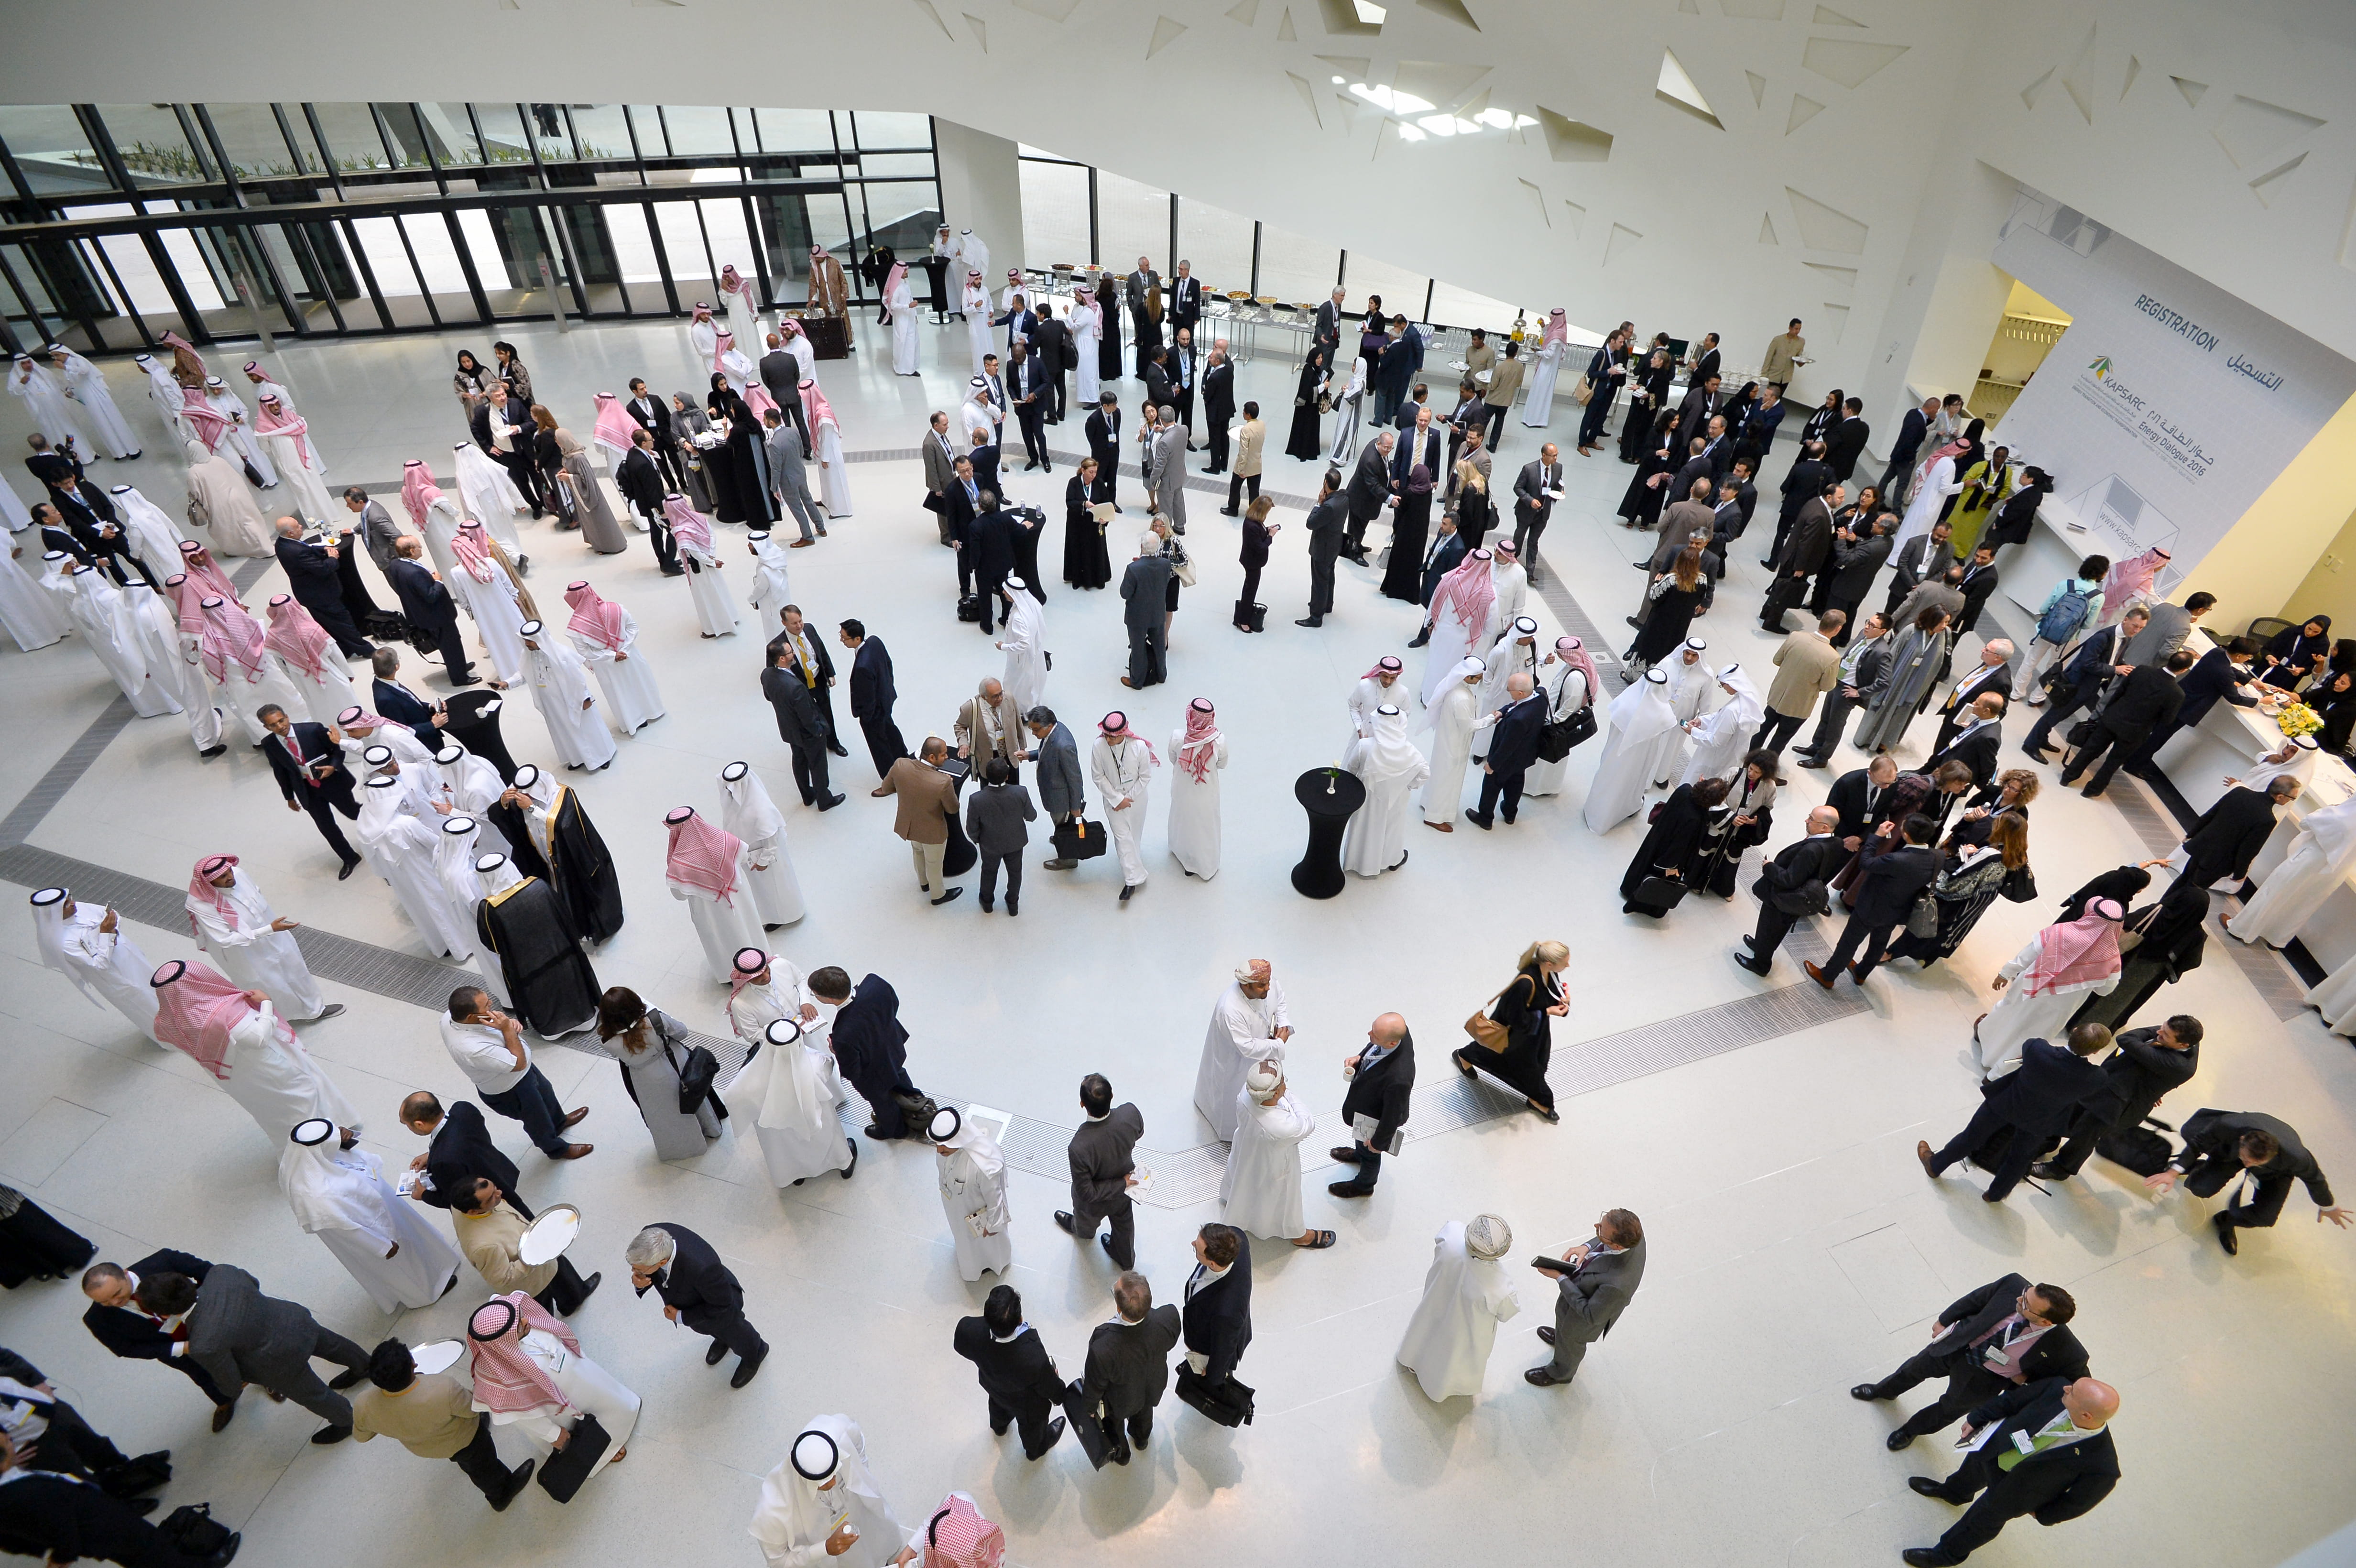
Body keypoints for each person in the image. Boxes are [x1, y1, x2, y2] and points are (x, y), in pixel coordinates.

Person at [1898, 1375, 2120, 1567]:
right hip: (1999, 1449)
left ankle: (1946, 1555)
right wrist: (1978, 1418)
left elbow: (2078, 1502)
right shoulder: (2056, 1387)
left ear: (2086, 1416)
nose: (2066, 1388)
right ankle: (1954, 1492)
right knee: (1972, 1469)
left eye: (2072, 1392)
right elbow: (2012, 1401)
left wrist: (2045, 1515)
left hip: (2018, 1492)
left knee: (1981, 1522)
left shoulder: (2102, 1464)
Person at [133, 1264, 368, 1445]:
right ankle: (365, 1366)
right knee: (335, 1345)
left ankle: (347, 1421)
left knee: (315, 1395)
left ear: (165, 1315)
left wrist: (228, 1391)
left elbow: (232, 1384)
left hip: (276, 1364)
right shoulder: (221, 1273)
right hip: (292, 1320)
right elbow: (253, 1283)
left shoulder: (203, 1343)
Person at [1853, 1276, 2088, 1451]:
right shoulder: (2015, 1284)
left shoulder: (2067, 1350)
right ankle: (1883, 1391)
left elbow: (2073, 1384)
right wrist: (1944, 1321)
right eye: (2026, 1294)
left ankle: (1910, 1430)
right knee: (1912, 1370)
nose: (2020, 1299)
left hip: (1985, 1379)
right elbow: (1976, 1299)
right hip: (1958, 1343)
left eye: (2026, 1304)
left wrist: (2027, 1381)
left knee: (1948, 1410)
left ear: (2045, 1321)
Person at [1921, 1022, 2116, 1202]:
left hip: (2006, 1104)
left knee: (1971, 1137)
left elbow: (2030, 1047)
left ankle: (1935, 1165)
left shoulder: (2037, 1049)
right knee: (2020, 1158)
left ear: (2073, 1032)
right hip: (2041, 1122)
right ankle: (1996, 1194)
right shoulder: (2097, 1078)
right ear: (2096, 1051)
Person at [279, 1119, 458, 1313]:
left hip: (381, 1207)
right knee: (401, 1265)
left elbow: (349, 1158)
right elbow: (346, 1230)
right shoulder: (316, 1195)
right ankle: (426, 1293)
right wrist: (380, 1246)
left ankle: (437, 1267)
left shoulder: (315, 1157)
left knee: (413, 1237)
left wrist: (343, 1138)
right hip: (373, 1230)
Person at [463, 1294, 638, 1485]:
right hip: (562, 1413)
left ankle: (624, 1413)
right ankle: (606, 1451)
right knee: (587, 1433)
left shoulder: (526, 1330)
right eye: (519, 1326)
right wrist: (554, 1436)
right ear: (503, 1342)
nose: (525, 1321)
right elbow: (524, 1419)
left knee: (608, 1398)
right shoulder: (499, 1379)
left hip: (585, 1381)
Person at [351, 1339, 534, 1510]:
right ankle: (500, 1495)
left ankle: (474, 1467)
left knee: (465, 1460)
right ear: (413, 1366)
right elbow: (471, 1409)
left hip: (428, 1447)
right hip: (466, 1440)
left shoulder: (363, 1404)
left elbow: (362, 1436)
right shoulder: (443, 1388)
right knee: (484, 1467)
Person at [2146, 1107, 2348, 1253]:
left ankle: (2225, 1221)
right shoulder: (2228, 1126)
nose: (2249, 1164)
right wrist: (2173, 1173)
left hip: (2274, 1172)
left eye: (2254, 1162)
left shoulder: (2296, 1158)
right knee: (2201, 1188)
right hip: (2231, 1154)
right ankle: (2198, 1168)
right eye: (2247, 1159)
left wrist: (2328, 1206)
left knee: (2266, 1217)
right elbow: (2198, 1143)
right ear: (2242, 1140)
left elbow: (2316, 1180)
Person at [2034, 1015, 2201, 1180]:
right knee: (2070, 1110)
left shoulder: (2179, 1066)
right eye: (2162, 1027)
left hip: (2119, 1104)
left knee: (2086, 1134)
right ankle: (2048, 1142)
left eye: (2165, 1034)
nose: (2158, 1032)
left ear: (2184, 1045)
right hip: (2110, 1082)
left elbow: (2126, 1039)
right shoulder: (2185, 1038)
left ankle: (2061, 1168)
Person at [438, 986, 593, 1160]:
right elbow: (518, 1063)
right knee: (537, 1120)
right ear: (471, 1017)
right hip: (511, 1088)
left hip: (522, 1073)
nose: (492, 1007)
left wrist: (506, 1024)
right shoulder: (470, 1048)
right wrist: (507, 1029)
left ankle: (559, 1122)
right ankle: (556, 1149)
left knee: (547, 1093)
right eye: (487, 1007)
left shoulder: (451, 1017)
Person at [180, 854, 338, 1022]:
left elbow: (256, 894)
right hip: (245, 953)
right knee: (270, 984)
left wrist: (270, 929)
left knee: (296, 970)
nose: (230, 877)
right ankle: (279, 1020)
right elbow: (224, 939)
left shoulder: (238, 874)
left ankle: (315, 1009)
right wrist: (268, 930)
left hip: (275, 936)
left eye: (229, 872)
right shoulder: (201, 905)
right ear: (209, 883)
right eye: (223, 877)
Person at [749, 1416, 913, 1568]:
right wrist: (825, 1548)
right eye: (824, 1483)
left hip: (868, 1522)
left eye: (835, 1475)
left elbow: (858, 1442)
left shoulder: (838, 1430)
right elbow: (778, 1563)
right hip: (826, 1560)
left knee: (884, 1546)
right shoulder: (772, 1511)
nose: (833, 1483)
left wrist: (863, 1473)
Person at [622, 1223, 766, 1388]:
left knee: (735, 1331)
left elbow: (722, 1307)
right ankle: (723, 1340)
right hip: (695, 1302)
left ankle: (755, 1353)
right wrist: (640, 1283)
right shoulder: (651, 1236)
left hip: (720, 1305)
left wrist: (680, 1316)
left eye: (640, 1269)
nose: (635, 1270)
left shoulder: (703, 1269)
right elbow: (654, 1275)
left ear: (662, 1261)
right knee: (716, 1331)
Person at [1808, 812, 1940, 988]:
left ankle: (1828, 976)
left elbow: (1866, 863)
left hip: (1870, 908)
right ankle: (1861, 973)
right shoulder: (1938, 856)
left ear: (1906, 835)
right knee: (1879, 944)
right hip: (1898, 911)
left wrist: (1876, 837)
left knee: (1849, 943)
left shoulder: (1896, 859)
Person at [1524, 1208, 1646, 1388]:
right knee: (1563, 1328)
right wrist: (1586, 1247)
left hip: (1581, 1322)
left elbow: (1590, 1314)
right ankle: (1561, 1338)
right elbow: (1606, 1237)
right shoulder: (1634, 1234)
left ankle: (1560, 1374)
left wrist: (1561, 1278)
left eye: (1600, 1230)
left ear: (1617, 1246)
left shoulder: (1617, 1285)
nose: (1596, 1226)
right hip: (1576, 1297)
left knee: (1571, 1345)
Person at [1883, 815, 2025, 969]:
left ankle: (1890, 953)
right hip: (1969, 904)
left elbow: (1960, 876)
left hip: (1952, 899)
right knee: (1938, 931)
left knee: (1922, 924)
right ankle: (1926, 957)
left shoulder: (1990, 853)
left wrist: (1962, 856)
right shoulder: (2014, 854)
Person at [1452, 941, 1570, 1122]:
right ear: (1549, 963)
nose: (1568, 965)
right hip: (1519, 1033)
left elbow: (1551, 999)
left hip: (1534, 1031)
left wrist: (1563, 1002)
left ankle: (1465, 1055)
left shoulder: (1549, 974)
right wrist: (1547, 1012)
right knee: (1531, 1068)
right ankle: (1542, 1100)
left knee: (1497, 1052)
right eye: (1565, 962)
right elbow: (1515, 1017)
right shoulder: (1525, 984)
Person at [1220, 1061, 1328, 1248]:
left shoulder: (1244, 1094)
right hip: (1274, 1165)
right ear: (1276, 1093)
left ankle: (1237, 1213)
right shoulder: (1283, 1127)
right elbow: (1307, 1122)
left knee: (1242, 1182)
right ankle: (1298, 1235)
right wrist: (1289, 1095)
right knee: (1282, 1200)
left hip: (1246, 1149)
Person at [952, 1286, 1068, 1461]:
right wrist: (1060, 1392)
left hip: (992, 1386)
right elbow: (1053, 1390)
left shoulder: (969, 1330)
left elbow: (959, 1345)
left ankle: (999, 1427)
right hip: (1026, 1405)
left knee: (998, 1405)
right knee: (1033, 1428)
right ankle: (1035, 1450)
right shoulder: (1033, 1357)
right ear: (1020, 1320)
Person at [809, 966, 920, 1142]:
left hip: (873, 1073)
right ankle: (915, 1100)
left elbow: (852, 1071)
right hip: (893, 1048)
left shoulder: (843, 1035)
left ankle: (895, 1130)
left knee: (882, 1101)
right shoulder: (875, 984)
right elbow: (894, 1003)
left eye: (815, 995)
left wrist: (835, 1050)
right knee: (899, 1075)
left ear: (828, 999)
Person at [2229, 794, 2356, 947]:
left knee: (2275, 891)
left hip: (2313, 856)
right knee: (2303, 903)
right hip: (2339, 868)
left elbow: (2308, 822)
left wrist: (2330, 809)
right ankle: (2277, 939)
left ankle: (2241, 929)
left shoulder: (2345, 815)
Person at [1082, 1272, 1181, 1467]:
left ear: (1119, 1308)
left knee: (1115, 1426)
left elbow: (1095, 1384)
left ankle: (1122, 1456)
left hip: (1120, 1401)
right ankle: (1142, 1440)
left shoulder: (1103, 1348)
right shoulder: (1168, 1317)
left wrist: (1090, 1408)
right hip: (1152, 1388)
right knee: (1145, 1414)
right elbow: (1171, 1341)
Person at [1733, 806, 1844, 974]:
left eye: (1811, 819)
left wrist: (1768, 867)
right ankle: (1760, 945)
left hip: (1783, 898)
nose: (1807, 820)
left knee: (1770, 928)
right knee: (1770, 929)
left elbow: (1789, 880)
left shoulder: (1811, 850)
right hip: (1798, 896)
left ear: (1824, 828)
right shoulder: (1836, 842)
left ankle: (1761, 964)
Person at [1328, 1013, 1414, 1198]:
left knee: (1371, 1154)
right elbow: (1375, 1047)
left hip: (1375, 1118)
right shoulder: (1401, 1034)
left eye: (1375, 1035)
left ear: (1391, 1043)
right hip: (1367, 1105)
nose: (1369, 1034)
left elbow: (1392, 1115)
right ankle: (1359, 1154)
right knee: (1362, 1146)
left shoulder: (1398, 1080)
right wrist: (1361, 1057)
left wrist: (1378, 1143)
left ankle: (1364, 1185)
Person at [1339, 705, 1429, 874]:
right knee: (1391, 830)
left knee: (1363, 827)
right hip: (1396, 800)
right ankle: (1391, 861)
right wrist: (1408, 785)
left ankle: (1357, 862)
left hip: (1366, 796)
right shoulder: (1411, 752)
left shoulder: (1364, 746)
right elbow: (1425, 773)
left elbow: (1350, 771)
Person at [927, 1106, 1012, 1281]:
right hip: (956, 1210)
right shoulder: (945, 1154)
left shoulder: (983, 1164)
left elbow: (995, 1198)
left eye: (944, 1145)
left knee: (989, 1245)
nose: (939, 1150)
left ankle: (994, 1264)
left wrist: (994, 1225)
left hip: (982, 1218)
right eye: (937, 1144)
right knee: (965, 1241)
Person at [877, 737, 962, 904]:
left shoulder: (901, 764)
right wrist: (949, 786)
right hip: (932, 831)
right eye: (944, 755)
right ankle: (938, 895)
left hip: (909, 825)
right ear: (932, 758)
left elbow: (886, 788)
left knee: (917, 853)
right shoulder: (943, 782)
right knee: (934, 863)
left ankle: (924, 883)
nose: (947, 758)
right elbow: (953, 809)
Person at [2176, 777, 2297, 889]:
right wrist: (2240, 874)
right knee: (2193, 890)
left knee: (2183, 880)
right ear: (2280, 797)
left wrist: (2191, 834)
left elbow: (2210, 815)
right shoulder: (2268, 820)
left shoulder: (2240, 792)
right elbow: (2248, 850)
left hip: (2202, 845)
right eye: (2292, 798)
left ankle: (2160, 907)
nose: (2291, 801)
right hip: (2219, 861)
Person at [1467, 671, 1547, 830]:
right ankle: (1510, 814)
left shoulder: (1518, 720)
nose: (1507, 692)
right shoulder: (1540, 695)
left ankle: (1485, 818)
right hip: (1525, 755)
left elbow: (1507, 746)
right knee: (1516, 783)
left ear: (1520, 693)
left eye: (1509, 690)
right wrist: (1503, 711)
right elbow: (1515, 706)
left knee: (1491, 787)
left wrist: (1493, 765)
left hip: (1506, 760)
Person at [1092, 711, 1158, 901]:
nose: (1108, 739)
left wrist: (1128, 797)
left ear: (1123, 733)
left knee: (1134, 835)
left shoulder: (1139, 747)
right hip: (1113, 801)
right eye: (1105, 735)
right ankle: (1132, 880)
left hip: (1136, 799)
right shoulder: (1098, 746)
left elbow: (1145, 776)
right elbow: (1098, 776)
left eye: (1112, 737)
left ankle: (1133, 862)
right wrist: (1116, 799)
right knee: (1122, 838)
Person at [1758, 612, 1843, 753]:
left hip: (1777, 695)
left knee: (1761, 730)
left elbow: (1777, 660)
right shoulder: (1832, 657)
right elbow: (1827, 686)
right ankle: (1764, 768)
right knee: (1780, 740)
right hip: (1799, 706)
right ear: (1838, 629)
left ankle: (1748, 760)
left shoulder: (1796, 637)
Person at [1165, 697, 1227, 878]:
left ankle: (1184, 857)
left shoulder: (1178, 737)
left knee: (1182, 821)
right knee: (1205, 826)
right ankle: (1205, 866)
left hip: (1182, 789)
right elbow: (1222, 764)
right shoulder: (1219, 741)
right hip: (1206, 792)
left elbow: (1173, 758)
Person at [1117, 531, 1171, 688]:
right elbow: (1165, 583)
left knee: (1138, 647)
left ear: (1142, 547)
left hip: (1138, 617)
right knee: (1159, 645)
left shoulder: (1133, 569)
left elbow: (1125, 593)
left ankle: (1137, 680)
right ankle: (1162, 674)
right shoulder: (1165, 564)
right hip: (1158, 613)